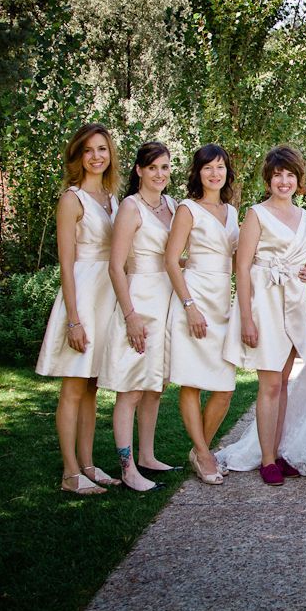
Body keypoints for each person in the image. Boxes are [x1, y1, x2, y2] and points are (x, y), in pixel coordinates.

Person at [222, 145, 306, 486]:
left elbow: (300, 263)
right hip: (263, 302)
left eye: (290, 174)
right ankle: (265, 459)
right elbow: (242, 268)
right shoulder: (256, 214)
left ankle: (277, 452)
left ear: (298, 180)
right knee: (270, 382)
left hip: (293, 300)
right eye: (278, 174)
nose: (284, 181)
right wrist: (246, 317)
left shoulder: (304, 217)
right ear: (269, 178)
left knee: (285, 382)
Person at [37, 123, 122, 495]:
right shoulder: (72, 199)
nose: (96, 156)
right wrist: (73, 319)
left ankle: (87, 463)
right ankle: (70, 472)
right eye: (88, 150)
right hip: (83, 296)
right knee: (73, 386)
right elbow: (66, 264)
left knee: (90, 386)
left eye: (102, 149)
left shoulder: (112, 198)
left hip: (108, 298)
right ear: (78, 156)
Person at [99, 142, 181, 492]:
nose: (159, 174)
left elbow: (176, 256)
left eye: (164, 167)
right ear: (139, 171)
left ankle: (147, 456)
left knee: (156, 386)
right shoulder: (130, 208)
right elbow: (116, 267)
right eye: (152, 168)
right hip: (139, 299)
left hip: (167, 300)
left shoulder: (173, 206)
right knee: (131, 388)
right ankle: (127, 467)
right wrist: (130, 315)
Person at [164, 144, 239, 485]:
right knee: (193, 381)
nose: (214, 173)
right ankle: (203, 453)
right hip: (195, 298)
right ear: (198, 173)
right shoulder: (187, 209)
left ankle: (200, 450)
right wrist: (189, 306)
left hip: (223, 300)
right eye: (208, 167)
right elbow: (171, 260)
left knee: (225, 388)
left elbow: (239, 260)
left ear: (226, 172)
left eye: (220, 167)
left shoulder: (232, 211)